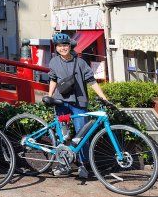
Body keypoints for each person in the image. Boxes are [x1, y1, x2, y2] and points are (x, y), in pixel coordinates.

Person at [47, 31, 110, 179]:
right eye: (59, 46)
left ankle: (84, 165)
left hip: (79, 102)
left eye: (65, 45)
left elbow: (91, 81)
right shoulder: (54, 62)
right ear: (56, 48)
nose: (63, 48)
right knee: (64, 135)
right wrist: (49, 96)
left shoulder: (81, 62)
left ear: (70, 46)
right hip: (61, 102)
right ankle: (64, 165)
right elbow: (53, 79)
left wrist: (103, 97)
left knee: (82, 135)